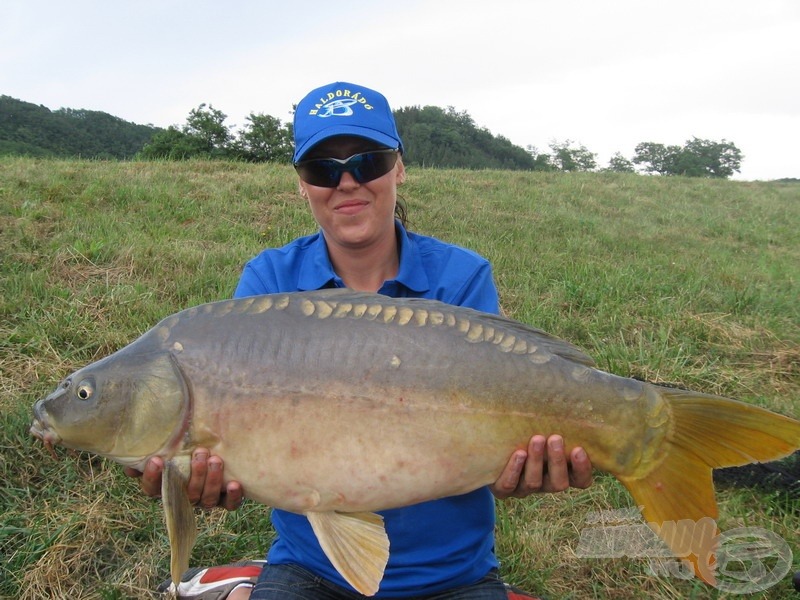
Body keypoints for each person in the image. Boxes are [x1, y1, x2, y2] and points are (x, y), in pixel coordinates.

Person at [129, 81, 593, 600]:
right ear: (301, 185)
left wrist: (529, 463)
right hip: (312, 568)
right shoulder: (269, 282)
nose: (347, 182)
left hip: (454, 575)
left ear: (399, 168)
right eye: (323, 168)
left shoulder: (460, 277)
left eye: (367, 162)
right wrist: (201, 476)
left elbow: (500, 418)